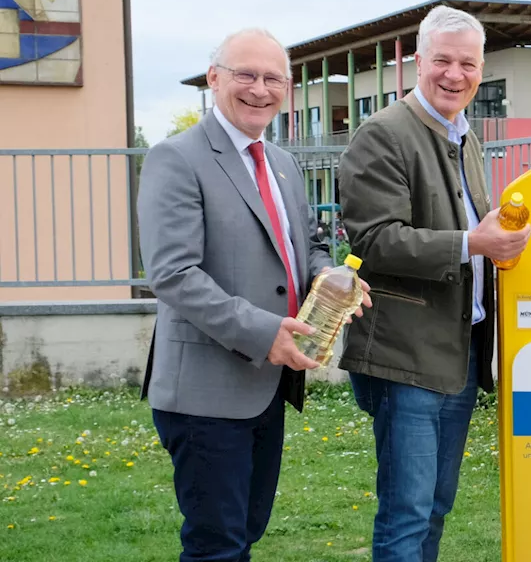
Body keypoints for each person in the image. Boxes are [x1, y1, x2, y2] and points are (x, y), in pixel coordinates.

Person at [139, 28, 370, 561]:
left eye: (273, 78)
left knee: (244, 530)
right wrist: (266, 332)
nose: (259, 89)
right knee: (216, 544)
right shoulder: (176, 158)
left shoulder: (282, 163)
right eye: (246, 74)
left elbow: (306, 247)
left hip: (267, 385)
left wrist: (332, 280)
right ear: (214, 79)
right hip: (205, 391)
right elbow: (173, 274)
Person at [337, 5, 531, 561]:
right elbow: (374, 240)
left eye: (468, 63)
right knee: (407, 514)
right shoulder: (383, 135)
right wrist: (474, 244)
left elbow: (482, 229)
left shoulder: (464, 135)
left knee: (436, 507)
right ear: (417, 62)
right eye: (442, 60)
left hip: (458, 351)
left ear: (481, 67)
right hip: (406, 355)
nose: (455, 74)